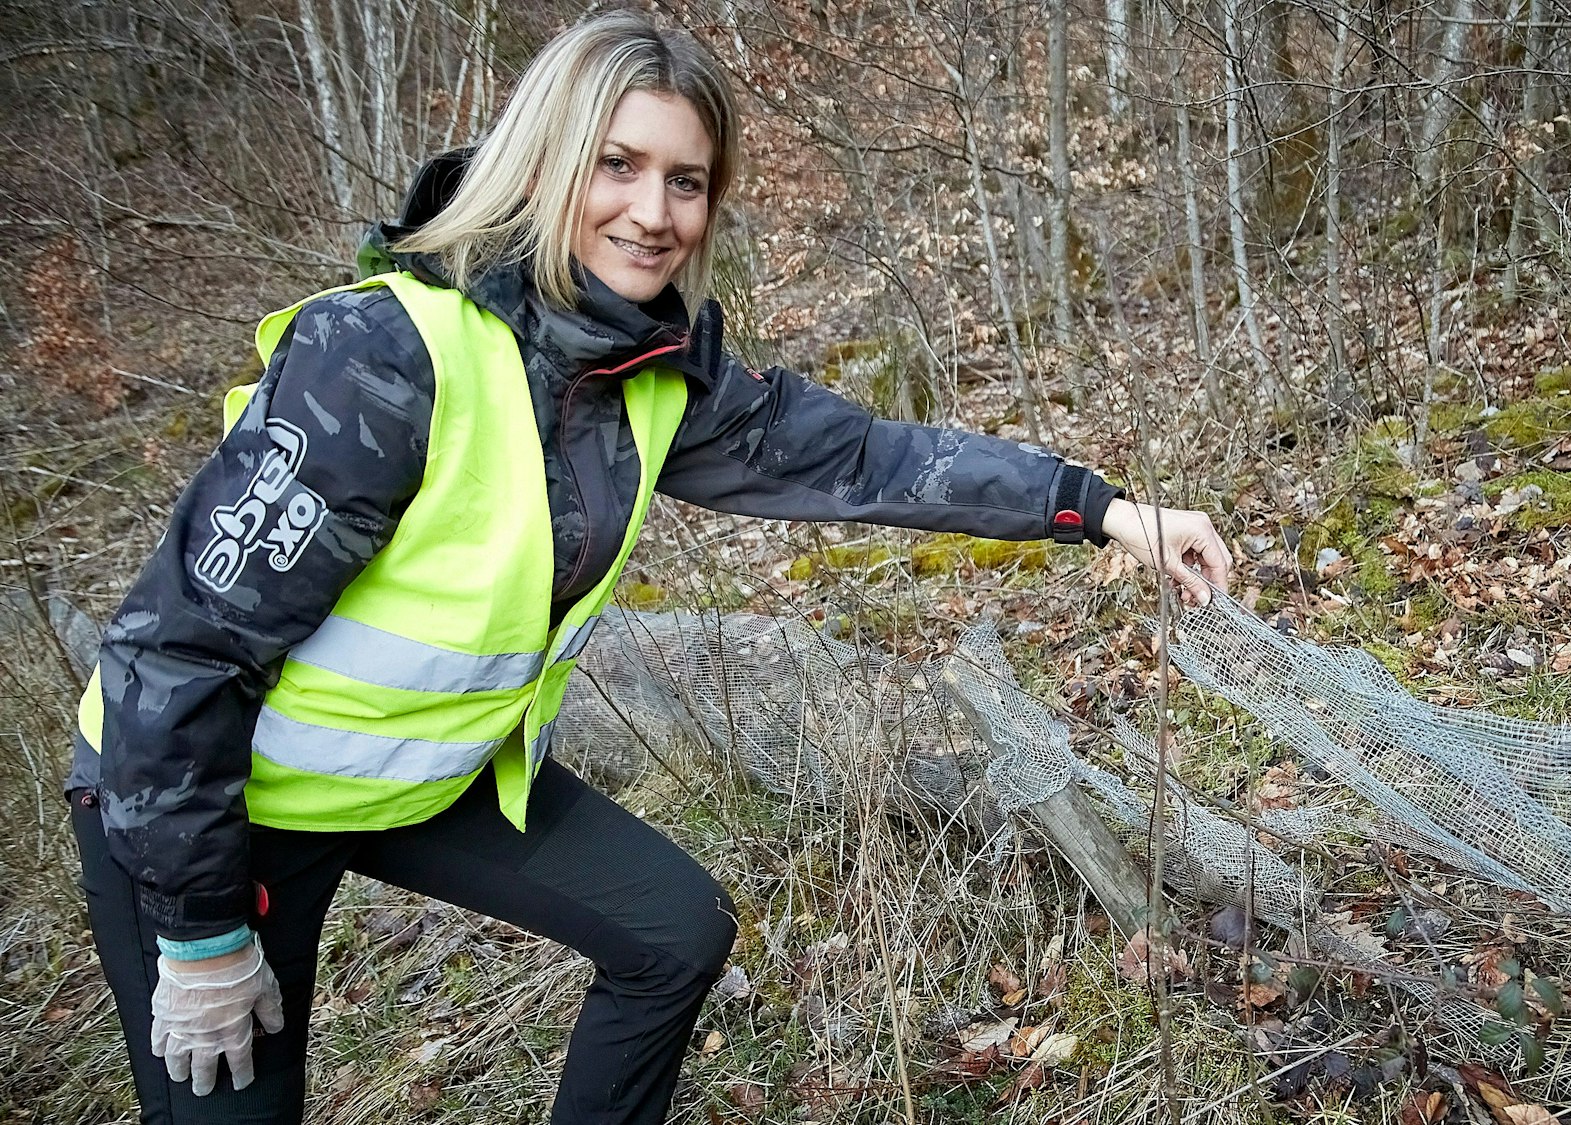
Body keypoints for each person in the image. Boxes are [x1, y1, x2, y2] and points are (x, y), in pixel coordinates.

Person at [68, 11, 1230, 1124]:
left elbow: (870, 459)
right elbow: (176, 656)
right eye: (616, 165)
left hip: (417, 784)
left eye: (685, 181)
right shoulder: (380, 356)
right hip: (206, 816)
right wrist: (203, 933)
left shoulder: (652, 369)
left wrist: (1104, 510)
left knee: (671, 932)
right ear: (543, 161)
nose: (652, 211)